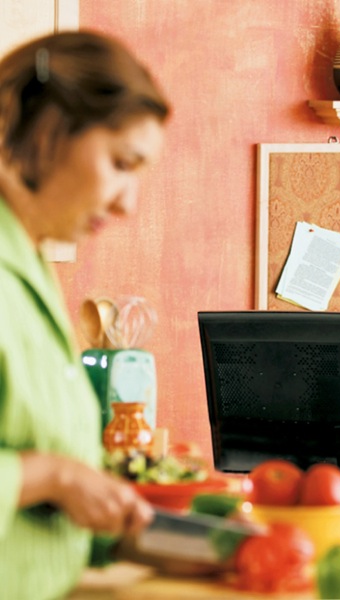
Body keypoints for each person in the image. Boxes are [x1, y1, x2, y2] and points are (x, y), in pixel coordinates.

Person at [0, 30, 170, 599]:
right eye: (122, 162)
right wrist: (51, 476)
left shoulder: (29, 260)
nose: (129, 203)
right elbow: (43, 472)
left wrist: (120, 526)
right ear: (48, 132)